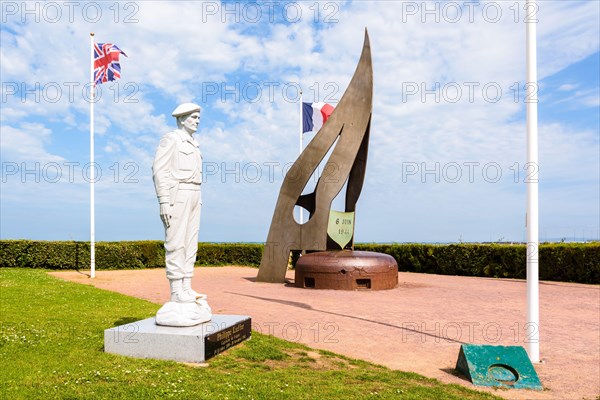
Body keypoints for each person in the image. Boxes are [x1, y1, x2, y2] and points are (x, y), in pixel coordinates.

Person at [152, 103, 204, 304]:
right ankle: (175, 290)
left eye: (198, 118)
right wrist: (163, 201)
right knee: (176, 242)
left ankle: (187, 286)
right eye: (193, 117)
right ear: (182, 119)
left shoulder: (194, 143)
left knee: (191, 242)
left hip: (195, 193)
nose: (197, 121)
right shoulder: (171, 139)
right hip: (178, 193)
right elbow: (159, 170)